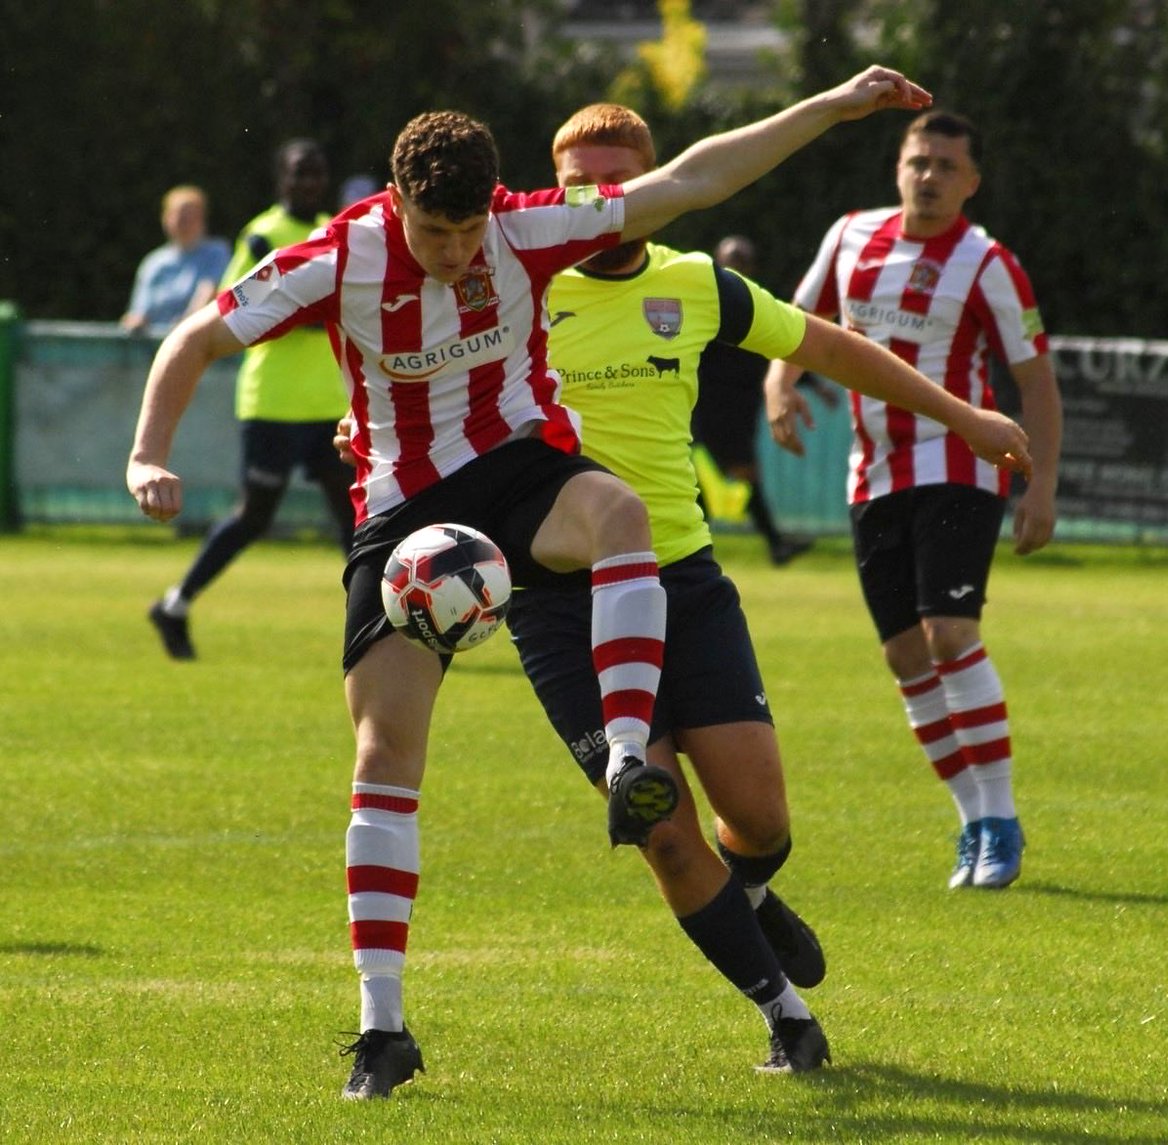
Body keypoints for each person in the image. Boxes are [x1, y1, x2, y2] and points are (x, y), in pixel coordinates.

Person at [124, 68, 1018, 1101]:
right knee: (383, 750)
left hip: (519, 474)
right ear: (397, 204)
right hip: (402, 511)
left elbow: (693, 179)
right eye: (434, 234)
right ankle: (382, 1024)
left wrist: (829, 108)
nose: (456, 254)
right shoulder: (339, 254)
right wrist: (150, 453)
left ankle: (630, 751)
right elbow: (195, 336)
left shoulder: (532, 231)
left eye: (469, 234)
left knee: (620, 513)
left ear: (495, 205)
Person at [764, 110, 1062, 891]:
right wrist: (779, 385)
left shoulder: (987, 262)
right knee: (904, 653)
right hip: (874, 473)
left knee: (949, 632)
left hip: (960, 462)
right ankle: (971, 820)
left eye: (944, 166)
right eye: (917, 160)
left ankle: (1000, 817)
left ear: (971, 182)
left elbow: (1035, 381)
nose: (927, 176)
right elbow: (796, 324)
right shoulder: (849, 236)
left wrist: (1044, 484)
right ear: (898, 166)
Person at [146, 139, 356, 661]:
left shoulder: (338, 230)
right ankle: (175, 603)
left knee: (355, 518)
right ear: (280, 180)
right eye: (298, 173)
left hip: (331, 405)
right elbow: (241, 307)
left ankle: (376, 628)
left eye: (316, 173)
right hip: (273, 405)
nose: (308, 182)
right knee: (254, 517)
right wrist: (317, 309)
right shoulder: (262, 237)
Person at [692, 235, 834, 565]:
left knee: (727, 480)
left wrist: (812, 384)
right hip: (711, 410)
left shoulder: (757, 305)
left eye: (741, 261)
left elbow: (781, 348)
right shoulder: (705, 305)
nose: (735, 267)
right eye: (730, 260)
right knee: (732, 476)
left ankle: (706, 547)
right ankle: (772, 545)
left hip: (742, 409)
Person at [120, 185, 231, 335]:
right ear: (166, 219)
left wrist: (184, 329)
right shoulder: (153, 262)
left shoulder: (217, 252)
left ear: (202, 219)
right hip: (153, 347)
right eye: (179, 216)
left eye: (191, 216)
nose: (185, 222)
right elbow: (139, 311)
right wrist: (135, 322)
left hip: (198, 341)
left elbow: (208, 292)